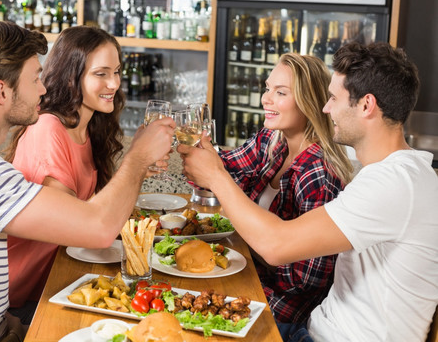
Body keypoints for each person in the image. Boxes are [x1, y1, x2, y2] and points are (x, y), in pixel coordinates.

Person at [0, 21, 174, 341]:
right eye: (35, 79)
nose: (44, 89)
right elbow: (96, 228)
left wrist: (7, 325)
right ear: (1, 91)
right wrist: (138, 157)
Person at [178, 42, 438, 342]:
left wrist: (215, 175)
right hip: (317, 330)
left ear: (366, 105)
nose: (326, 108)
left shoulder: (393, 183)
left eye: (333, 98)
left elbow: (277, 246)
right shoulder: (394, 175)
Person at [3, 26, 127, 324]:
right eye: (101, 73)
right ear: (72, 75)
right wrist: (136, 165)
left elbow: (95, 208)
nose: (114, 83)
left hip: (62, 280)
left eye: (118, 71)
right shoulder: (48, 129)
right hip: (24, 297)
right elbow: (75, 225)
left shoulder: (89, 128)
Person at [217, 53, 353, 323]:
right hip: (249, 277)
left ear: (308, 102)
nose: (265, 99)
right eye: (267, 89)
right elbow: (224, 170)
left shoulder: (319, 173)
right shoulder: (273, 140)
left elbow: (304, 282)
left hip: (282, 312)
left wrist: (251, 239)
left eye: (280, 92)